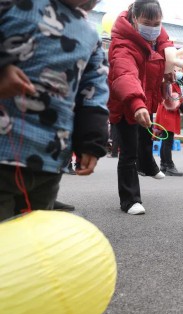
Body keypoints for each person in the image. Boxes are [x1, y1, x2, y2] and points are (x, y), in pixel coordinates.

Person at [0, 0, 109, 222]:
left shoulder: (90, 35)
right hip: (4, 152)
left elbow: (93, 90)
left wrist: (91, 140)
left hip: (49, 159)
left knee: (33, 242)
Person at [107, 0, 175, 215]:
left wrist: (168, 70)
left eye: (157, 23)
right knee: (128, 152)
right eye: (147, 22)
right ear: (134, 19)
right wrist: (136, 104)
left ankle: (147, 166)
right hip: (125, 103)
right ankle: (130, 200)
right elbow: (125, 75)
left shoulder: (157, 39)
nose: (153, 27)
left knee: (145, 136)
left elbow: (165, 52)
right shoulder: (122, 44)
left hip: (145, 101)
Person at [155, 67, 183, 176]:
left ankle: (164, 164)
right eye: (177, 69)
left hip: (167, 113)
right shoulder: (170, 83)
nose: (180, 72)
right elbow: (172, 101)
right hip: (168, 114)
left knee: (165, 140)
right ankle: (169, 165)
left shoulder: (173, 83)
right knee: (167, 141)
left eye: (182, 70)